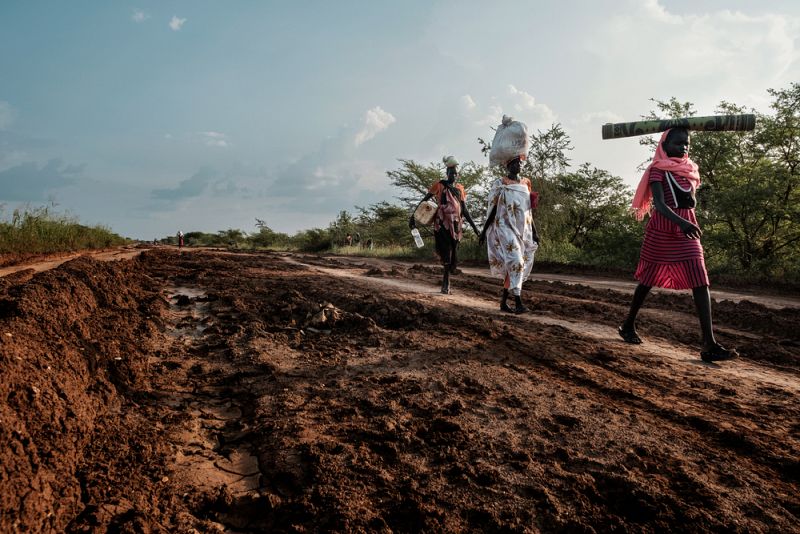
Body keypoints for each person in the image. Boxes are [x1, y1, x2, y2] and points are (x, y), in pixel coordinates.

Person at [618, 127, 738, 363]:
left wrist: (686, 223)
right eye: (678, 143)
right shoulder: (657, 171)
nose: (684, 147)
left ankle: (709, 344)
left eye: (687, 143)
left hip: (686, 230)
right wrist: (681, 223)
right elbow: (660, 206)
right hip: (663, 229)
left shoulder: (690, 170)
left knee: (700, 278)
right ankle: (628, 324)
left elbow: (688, 203)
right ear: (664, 145)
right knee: (648, 280)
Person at [409, 155, 480, 294]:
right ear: (447, 173)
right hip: (441, 224)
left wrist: (476, 229)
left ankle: (447, 279)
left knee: (452, 253)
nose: (453, 175)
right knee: (446, 252)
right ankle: (446, 283)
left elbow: (464, 209)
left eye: (455, 173)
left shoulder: (460, 189)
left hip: (456, 225)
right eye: (451, 172)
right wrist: (413, 216)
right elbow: (425, 200)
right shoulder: (440, 185)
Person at [479, 156, 540, 313]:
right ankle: (518, 302)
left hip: (523, 228)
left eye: (519, 162)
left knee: (513, 265)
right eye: (514, 163)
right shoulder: (500, 184)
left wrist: (534, 231)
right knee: (516, 261)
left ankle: (503, 303)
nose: (518, 165)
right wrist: (484, 230)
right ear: (507, 166)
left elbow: (528, 211)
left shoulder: (526, 182)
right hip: (504, 227)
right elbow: (493, 209)